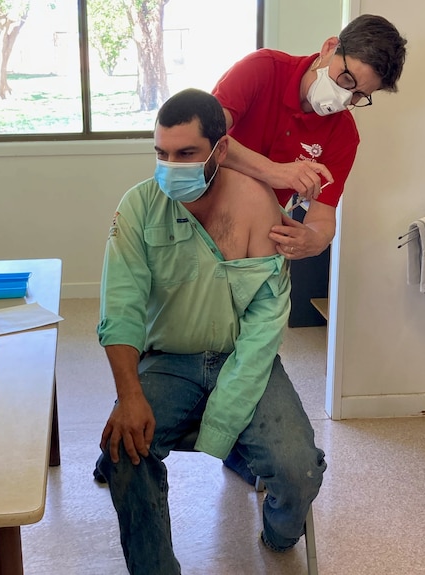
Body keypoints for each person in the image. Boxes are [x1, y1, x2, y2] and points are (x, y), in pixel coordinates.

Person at [94, 88, 326, 574]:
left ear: (220, 150)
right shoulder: (138, 207)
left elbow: (266, 318)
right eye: (160, 153)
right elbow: (121, 307)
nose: (170, 166)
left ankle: (279, 533)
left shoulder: (256, 205)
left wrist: (224, 419)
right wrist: (129, 395)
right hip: (167, 359)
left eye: (186, 154)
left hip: (243, 355)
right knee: (123, 455)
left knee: (298, 468)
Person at [212, 13, 407, 260]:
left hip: (256, 243)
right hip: (200, 215)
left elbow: (323, 217)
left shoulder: (343, 134)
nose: (345, 98)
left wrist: (315, 238)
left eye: (358, 95)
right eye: (346, 79)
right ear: (329, 47)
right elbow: (205, 135)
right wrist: (274, 171)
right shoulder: (262, 69)